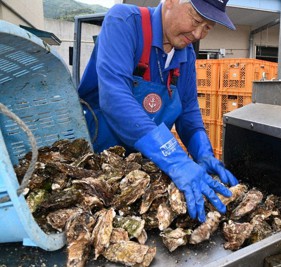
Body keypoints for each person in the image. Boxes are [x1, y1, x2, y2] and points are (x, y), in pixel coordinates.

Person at [78, 0, 238, 223]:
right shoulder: (124, 22)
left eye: (208, 28)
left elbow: (189, 109)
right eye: (197, 20)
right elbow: (115, 98)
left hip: (140, 173)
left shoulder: (186, 55)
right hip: (92, 166)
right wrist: (177, 160)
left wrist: (202, 151)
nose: (199, 34)